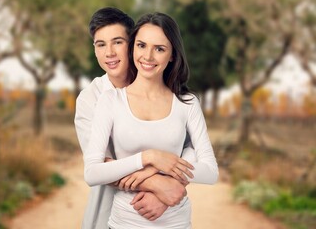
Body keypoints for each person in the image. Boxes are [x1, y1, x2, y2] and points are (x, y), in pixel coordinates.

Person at [83, 12, 219, 229]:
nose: (148, 56)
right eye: (142, 45)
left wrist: (162, 178)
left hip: (176, 223)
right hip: (123, 223)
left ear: (172, 55)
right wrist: (148, 158)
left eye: (160, 49)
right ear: (133, 47)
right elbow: (92, 172)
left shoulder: (187, 102)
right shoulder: (109, 100)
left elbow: (210, 172)